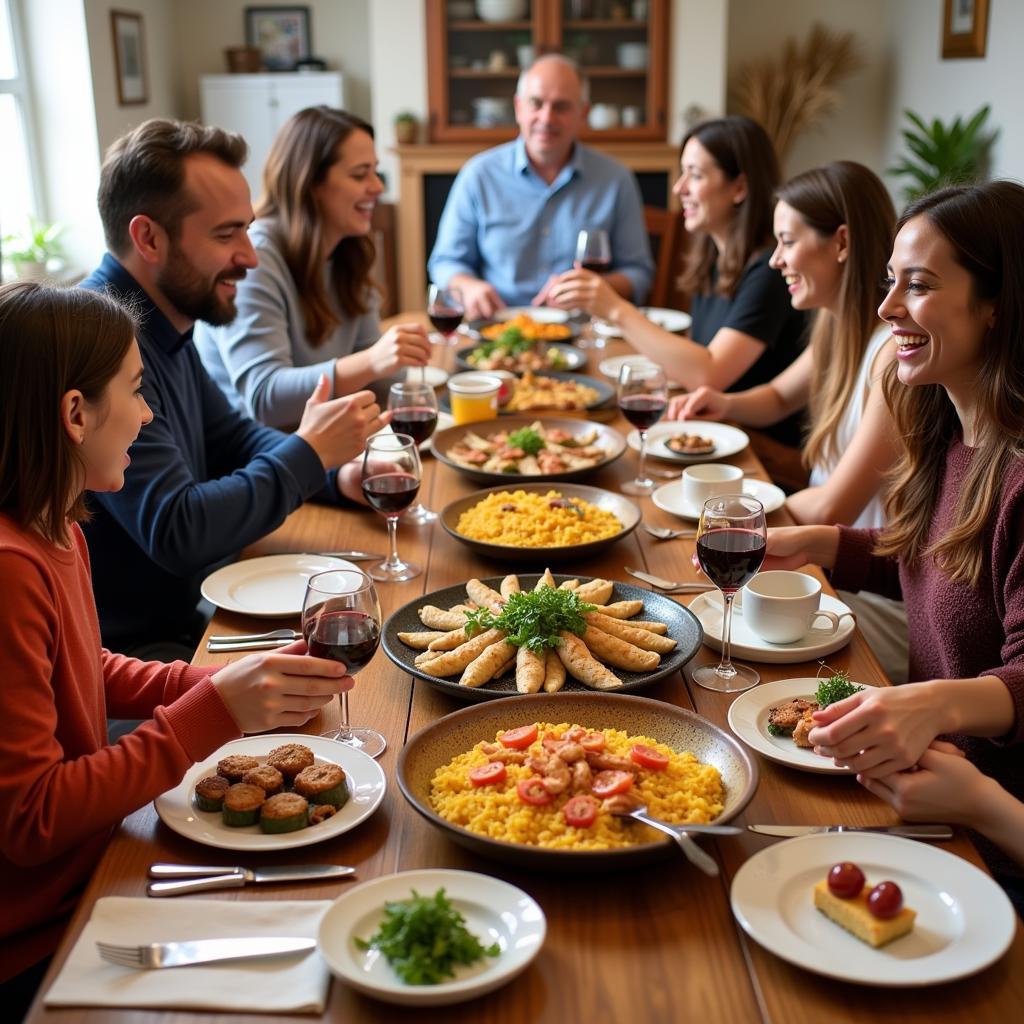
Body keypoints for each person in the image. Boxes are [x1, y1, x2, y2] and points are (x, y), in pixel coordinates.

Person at [0, 282, 353, 1017]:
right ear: (74, 414)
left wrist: (213, 683)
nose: (149, 412)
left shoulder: (56, 523)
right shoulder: (9, 567)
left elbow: (80, 667)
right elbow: (30, 820)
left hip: (93, 865)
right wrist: (208, 715)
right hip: (42, 937)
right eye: (134, 391)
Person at [764, 181, 1024, 911]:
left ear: (998, 303)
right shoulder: (949, 429)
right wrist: (828, 544)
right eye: (888, 284)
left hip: (989, 836)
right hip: (929, 793)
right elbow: (943, 560)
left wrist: (937, 712)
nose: (886, 309)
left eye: (920, 285)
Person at [81, 118, 385, 658]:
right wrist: (310, 452)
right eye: (227, 234)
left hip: (194, 619)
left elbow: (235, 440)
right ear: (148, 237)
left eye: (247, 228)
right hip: (136, 656)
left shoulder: (164, 325)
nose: (249, 255)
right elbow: (178, 530)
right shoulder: (102, 344)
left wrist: (337, 475)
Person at [670, 162, 908, 681]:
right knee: (691, 619)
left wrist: (727, 525)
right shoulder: (838, 325)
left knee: (696, 637)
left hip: (865, 590)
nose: (775, 260)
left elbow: (831, 505)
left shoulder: (891, 357)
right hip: (820, 567)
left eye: (787, 241)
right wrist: (724, 403)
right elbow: (778, 396)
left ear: (841, 242)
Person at [548, 115, 808, 446]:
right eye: (682, 172)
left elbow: (708, 374)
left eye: (695, 175)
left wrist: (615, 309)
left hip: (753, 449)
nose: (679, 187)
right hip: (709, 432)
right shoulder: (714, 259)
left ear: (740, 187)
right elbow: (696, 358)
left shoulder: (769, 272)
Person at [194, 107, 431, 430]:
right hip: (259, 460)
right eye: (360, 175)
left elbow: (374, 373)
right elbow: (265, 399)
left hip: (324, 449)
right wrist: (374, 361)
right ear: (310, 184)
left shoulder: (349, 248)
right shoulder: (256, 259)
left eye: (375, 172)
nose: (377, 187)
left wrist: (430, 401)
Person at [427, 54, 654, 319]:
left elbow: (639, 272)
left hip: (585, 331)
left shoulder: (616, 179)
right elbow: (444, 262)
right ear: (518, 107)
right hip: (497, 328)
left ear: (584, 113)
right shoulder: (478, 175)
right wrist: (468, 286)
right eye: (536, 104)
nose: (547, 118)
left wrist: (592, 291)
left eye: (561, 107)